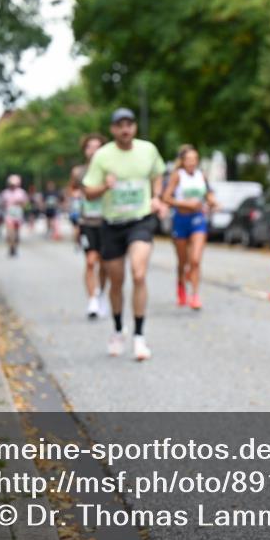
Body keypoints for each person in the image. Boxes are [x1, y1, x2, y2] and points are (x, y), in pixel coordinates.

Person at [83, 108, 166, 360]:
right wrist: (104, 187)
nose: (125, 129)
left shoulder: (148, 150)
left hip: (140, 221)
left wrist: (156, 197)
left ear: (135, 127)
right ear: (112, 129)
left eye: (129, 124)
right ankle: (119, 329)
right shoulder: (102, 156)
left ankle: (139, 337)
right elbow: (88, 192)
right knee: (116, 281)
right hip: (112, 224)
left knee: (139, 273)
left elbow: (158, 173)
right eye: (120, 125)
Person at [162, 144, 216, 309]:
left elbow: (208, 194)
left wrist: (212, 201)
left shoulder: (201, 175)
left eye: (195, 159)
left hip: (198, 220)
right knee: (182, 262)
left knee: (195, 260)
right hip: (181, 219)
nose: (192, 162)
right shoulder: (178, 176)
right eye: (189, 159)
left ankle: (195, 295)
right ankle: (181, 286)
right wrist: (185, 203)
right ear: (183, 161)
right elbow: (166, 197)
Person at [68, 133, 109, 319]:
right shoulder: (79, 172)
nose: (93, 151)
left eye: (97, 147)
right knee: (90, 260)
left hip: (107, 222)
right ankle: (92, 300)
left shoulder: (109, 171)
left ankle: (100, 294)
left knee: (105, 264)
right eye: (89, 147)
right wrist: (75, 223)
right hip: (87, 222)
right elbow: (73, 194)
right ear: (84, 151)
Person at [1, 175, 28, 257]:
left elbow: (25, 203)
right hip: (9, 215)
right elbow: (2, 204)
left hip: (18, 214)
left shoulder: (21, 192)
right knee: (10, 232)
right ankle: (11, 247)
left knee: (16, 233)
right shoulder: (5, 193)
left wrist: (19, 203)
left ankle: (15, 247)